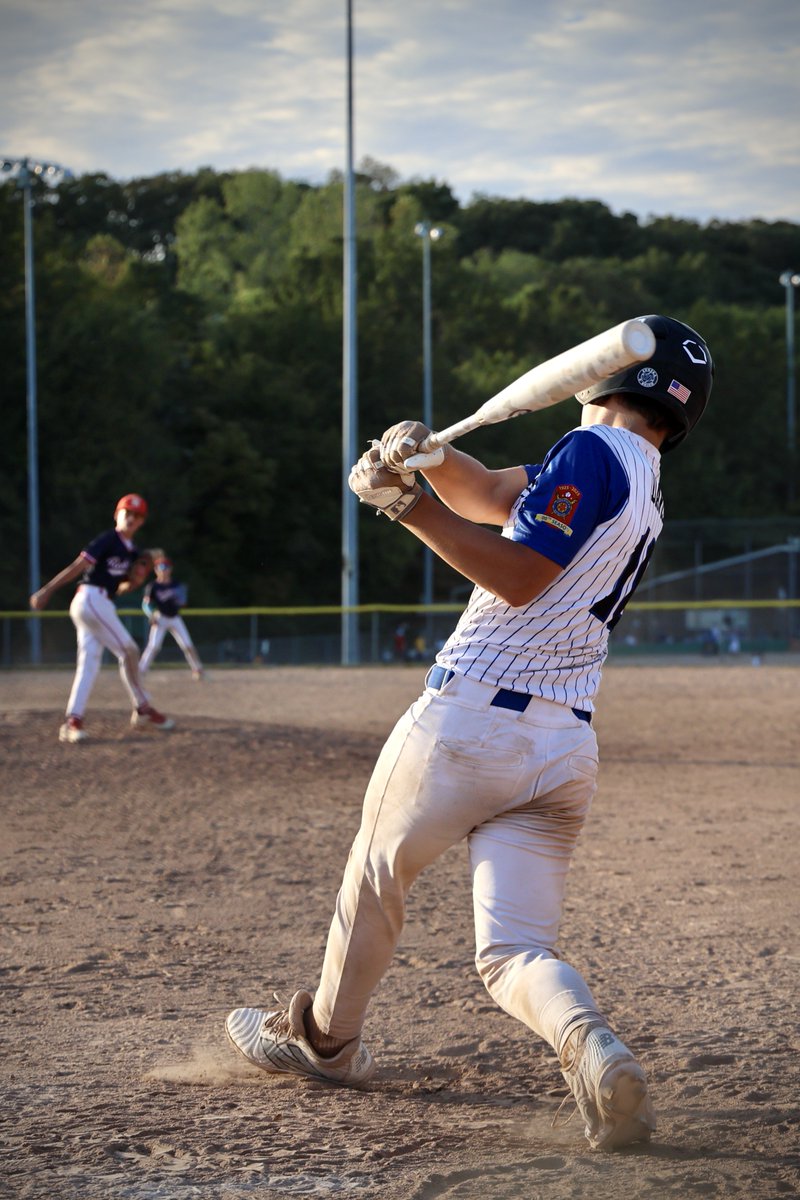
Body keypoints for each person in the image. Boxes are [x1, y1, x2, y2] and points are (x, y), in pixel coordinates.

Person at [225, 315, 714, 1152]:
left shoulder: (589, 452)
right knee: (515, 950)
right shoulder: (638, 474)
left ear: (603, 378)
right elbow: (491, 496)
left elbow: (521, 576)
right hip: (563, 749)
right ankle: (594, 1051)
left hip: (470, 724)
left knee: (377, 876)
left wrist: (408, 508)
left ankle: (325, 1041)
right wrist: (432, 460)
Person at [29, 493, 175, 743]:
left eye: (137, 516)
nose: (131, 518)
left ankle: (72, 721)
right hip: (90, 600)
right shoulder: (108, 539)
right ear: (117, 514)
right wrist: (47, 590)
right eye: (127, 512)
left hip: (99, 602)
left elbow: (122, 587)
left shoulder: (132, 552)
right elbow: (79, 566)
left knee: (89, 664)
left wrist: (138, 579)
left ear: (141, 522)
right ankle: (143, 709)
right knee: (129, 649)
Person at [139, 552, 205, 680]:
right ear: (156, 570)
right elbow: (145, 604)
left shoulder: (176, 585)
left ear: (170, 569)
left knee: (187, 645)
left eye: (166, 567)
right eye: (161, 568)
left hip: (175, 618)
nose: (164, 570)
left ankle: (198, 669)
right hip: (161, 618)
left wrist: (181, 600)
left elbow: (182, 602)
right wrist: (151, 614)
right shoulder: (153, 586)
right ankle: (140, 671)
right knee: (154, 646)